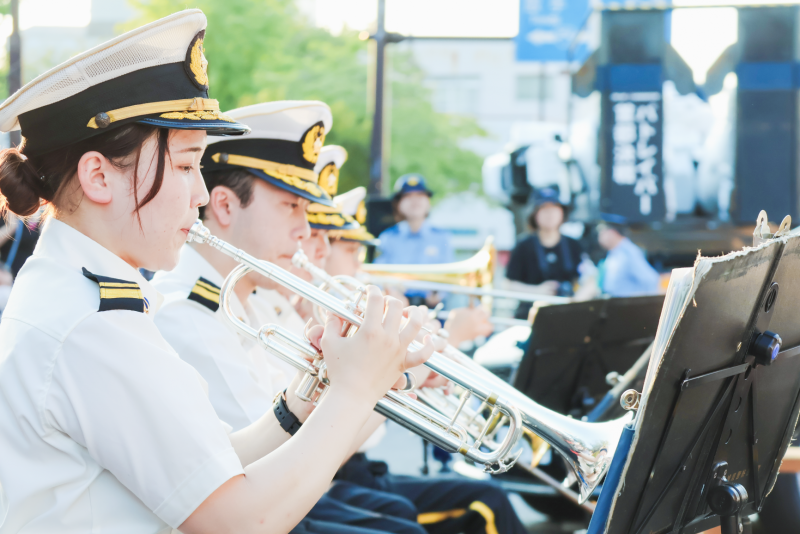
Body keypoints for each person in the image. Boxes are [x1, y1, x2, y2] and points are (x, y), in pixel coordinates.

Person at [0, 11, 433, 534]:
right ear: (98, 175)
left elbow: (204, 468)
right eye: (186, 166)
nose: (202, 194)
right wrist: (359, 387)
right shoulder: (90, 319)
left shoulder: (81, 295)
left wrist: (305, 396)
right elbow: (239, 520)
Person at [153, 102, 427, 534]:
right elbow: (274, 468)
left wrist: (384, 379)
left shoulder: (255, 302)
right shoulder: (189, 313)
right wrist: (380, 383)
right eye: (291, 207)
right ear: (224, 207)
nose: (306, 233)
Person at [505, 188, 586, 319]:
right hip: (530, 316)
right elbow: (509, 284)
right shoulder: (523, 246)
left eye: (554, 208)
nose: (550, 214)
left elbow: (589, 278)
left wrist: (577, 299)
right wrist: (537, 291)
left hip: (568, 315)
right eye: (544, 209)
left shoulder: (574, 245)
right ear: (534, 214)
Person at [376, 174, 453, 307]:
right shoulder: (387, 238)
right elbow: (378, 276)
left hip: (432, 310)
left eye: (420, 195)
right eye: (408, 196)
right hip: (396, 307)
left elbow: (451, 276)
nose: (414, 201)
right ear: (398, 204)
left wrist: (439, 295)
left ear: (428, 202)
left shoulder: (442, 238)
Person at [596, 214, 660, 297]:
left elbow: (651, 280)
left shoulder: (628, 252)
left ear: (612, 232)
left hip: (628, 306)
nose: (599, 236)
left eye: (602, 232)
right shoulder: (614, 252)